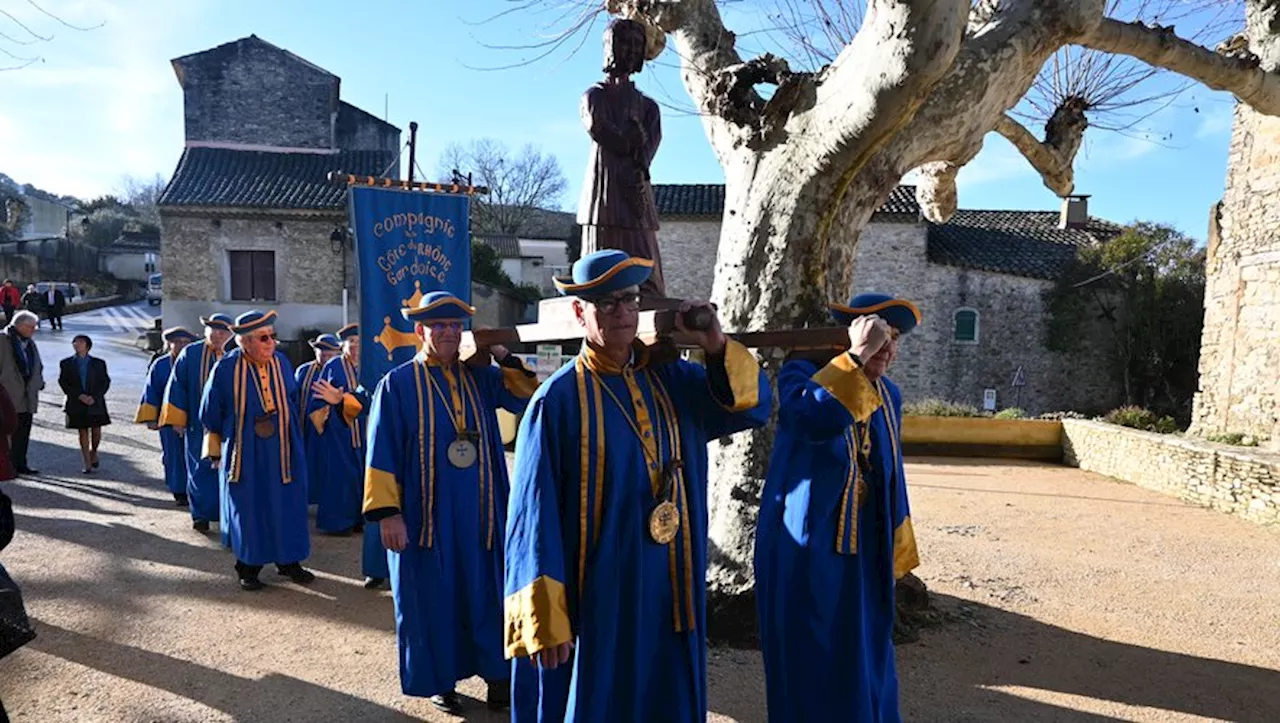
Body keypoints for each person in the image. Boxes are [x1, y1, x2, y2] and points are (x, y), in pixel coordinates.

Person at [505, 250, 772, 722]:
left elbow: (750, 408)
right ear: (578, 311)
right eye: (606, 303)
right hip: (602, 590)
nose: (622, 312)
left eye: (629, 299)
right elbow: (531, 515)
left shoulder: (674, 380)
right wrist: (545, 618)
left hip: (672, 581)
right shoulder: (558, 401)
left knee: (666, 695)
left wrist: (713, 343)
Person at [363, 291, 538, 714]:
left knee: (488, 594)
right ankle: (442, 680)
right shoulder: (398, 384)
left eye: (454, 326)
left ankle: (499, 676)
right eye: (438, 326)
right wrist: (389, 514)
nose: (447, 333)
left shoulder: (480, 377)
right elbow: (380, 451)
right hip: (427, 519)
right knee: (433, 601)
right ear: (420, 330)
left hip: (482, 513)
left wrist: (501, 355)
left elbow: (527, 396)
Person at [754, 293, 922, 723]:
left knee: (867, 652)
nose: (889, 348)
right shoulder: (801, 373)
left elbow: (891, 476)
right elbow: (808, 420)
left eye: (895, 338)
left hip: (866, 547)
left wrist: (897, 544)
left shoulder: (890, 394)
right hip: (808, 548)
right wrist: (856, 358)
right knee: (813, 653)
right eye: (880, 336)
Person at [200, 310, 313, 591]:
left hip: (284, 448)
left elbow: (294, 396)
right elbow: (210, 412)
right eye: (264, 338)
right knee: (250, 507)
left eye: (273, 336)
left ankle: (289, 561)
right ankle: (248, 567)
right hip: (246, 451)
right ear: (244, 342)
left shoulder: (283, 363)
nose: (271, 343)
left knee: (288, 503)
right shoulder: (225, 369)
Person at [577, 19, 666, 297]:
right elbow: (599, 128)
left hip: (635, 186)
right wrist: (630, 140)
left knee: (642, 244)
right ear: (610, 47)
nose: (629, 51)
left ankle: (649, 293)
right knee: (602, 239)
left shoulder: (648, 107)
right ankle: (599, 292)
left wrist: (638, 151)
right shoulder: (595, 96)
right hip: (603, 186)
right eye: (624, 43)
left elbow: (650, 145)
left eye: (637, 45)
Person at [161, 313, 233, 532]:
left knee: (226, 469)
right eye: (215, 330)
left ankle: (223, 512)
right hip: (196, 425)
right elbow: (176, 386)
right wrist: (177, 420)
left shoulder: (234, 356)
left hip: (227, 426)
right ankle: (200, 515)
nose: (219, 335)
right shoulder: (191, 353)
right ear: (206, 330)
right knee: (199, 469)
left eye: (224, 331)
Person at [308, 324, 365, 536]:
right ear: (343, 345)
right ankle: (338, 522)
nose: (356, 347)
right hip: (339, 431)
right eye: (352, 342)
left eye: (359, 342)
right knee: (340, 476)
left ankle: (359, 518)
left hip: (364, 429)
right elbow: (319, 396)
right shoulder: (334, 365)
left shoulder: (368, 365)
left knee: (362, 475)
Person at [136, 327, 198, 505]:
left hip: (193, 418)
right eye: (177, 342)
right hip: (167, 418)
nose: (181, 345)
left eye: (185, 342)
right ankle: (179, 491)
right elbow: (151, 390)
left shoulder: (196, 363)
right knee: (173, 455)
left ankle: (195, 490)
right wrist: (151, 417)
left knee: (194, 454)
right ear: (168, 344)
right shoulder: (160, 365)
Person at [296, 333, 341, 506]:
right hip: (305, 426)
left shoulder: (339, 370)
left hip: (330, 428)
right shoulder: (304, 371)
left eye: (330, 354)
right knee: (306, 464)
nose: (325, 357)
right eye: (322, 352)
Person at [59, 335, 111, 474]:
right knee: (82, 430)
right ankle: (86, 461)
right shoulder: (66, 363)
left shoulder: (98, 363)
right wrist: (79, 395)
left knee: (96, 429)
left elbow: (104, 381)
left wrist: (94, 396)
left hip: (95, 400)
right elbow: (64, 382)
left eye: (80, 342)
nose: (77, 344)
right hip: (76, 401)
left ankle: (94, 451)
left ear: (87, 345)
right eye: (74, 342)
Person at [0, 311, 44, 476]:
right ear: (19, 325)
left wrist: (38, 383)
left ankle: (20, 463)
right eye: (31, 327)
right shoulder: (2, 340)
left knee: (23, 432)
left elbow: (37, 365)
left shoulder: (29, 343)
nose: (34, 330)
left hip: (27, 396)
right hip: (7, 396)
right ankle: (8, 465)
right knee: (7, 433)